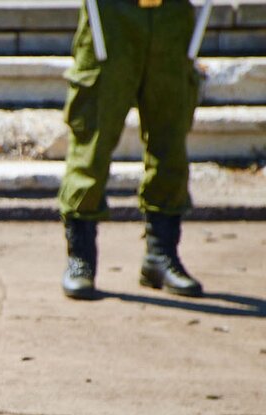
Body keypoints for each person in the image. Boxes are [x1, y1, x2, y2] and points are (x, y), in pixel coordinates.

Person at [59, 0, 204, 300]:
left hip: (171, 15)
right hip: (111, 15)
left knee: (171, 137)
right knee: (94, 137)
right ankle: (81, 259)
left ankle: (161, 256)